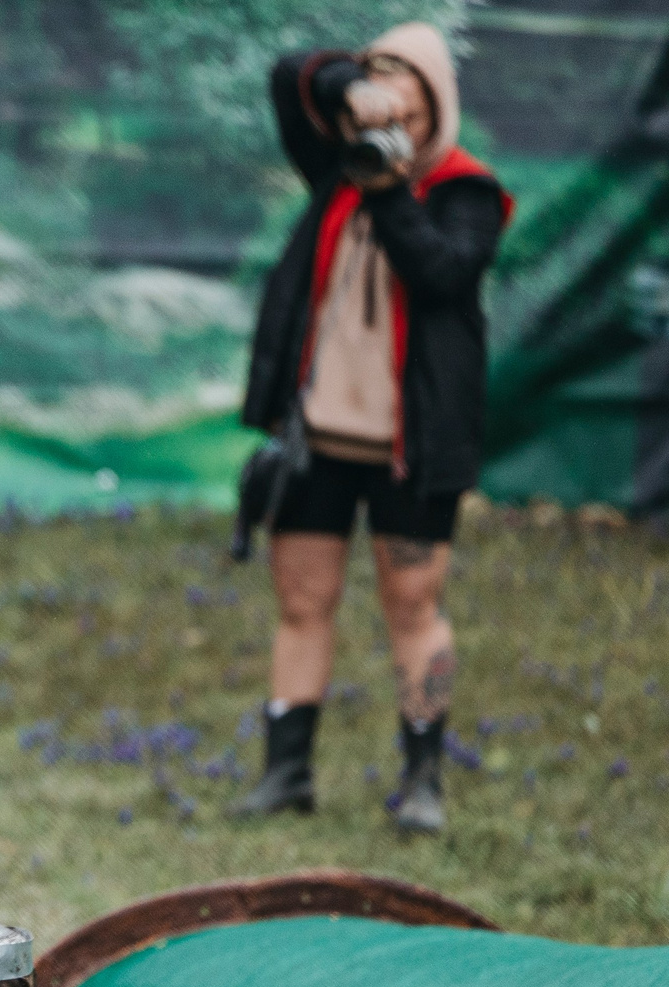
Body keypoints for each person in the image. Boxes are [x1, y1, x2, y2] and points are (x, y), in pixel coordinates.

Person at [233, 22, 510, 833]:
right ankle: (285, 774)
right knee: (301, 600)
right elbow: (290, 75)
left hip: (411, 449)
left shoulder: (467, 191)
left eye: (404, 90)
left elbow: (442, 272)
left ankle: (423, 779)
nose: (387, 108)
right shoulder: (334, 171)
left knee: (413, 602)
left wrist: (389, 186)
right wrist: (351, 94)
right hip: (316, 439)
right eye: (374, 83)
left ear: (436, 106)